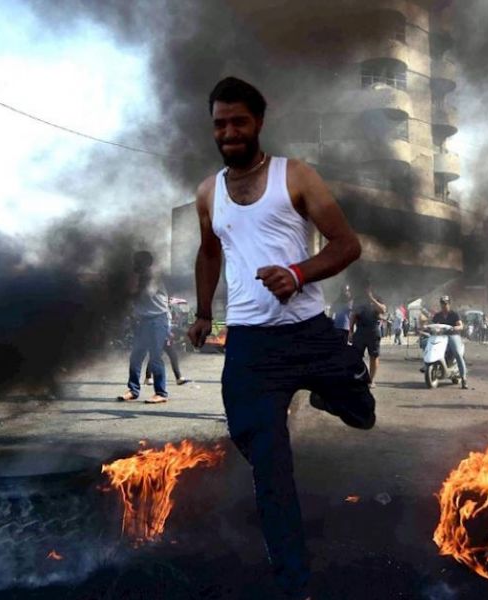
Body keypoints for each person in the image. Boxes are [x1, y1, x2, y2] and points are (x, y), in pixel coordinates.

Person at [185, 77, 375, 599]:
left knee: (363, 412)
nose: (228, 132)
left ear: (258, 123)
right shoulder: (208, 192)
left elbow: (347, 244)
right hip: (251, 348)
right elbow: (208, 253)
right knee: (270, 471)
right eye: (220, 123)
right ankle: (294, 583)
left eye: (238, 121)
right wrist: (205, 313)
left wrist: (298, 272)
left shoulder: (296, 176)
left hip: (309, 334)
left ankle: (331, 389)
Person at [117, 250, 172, 403]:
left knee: (155, 357)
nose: (135, 265)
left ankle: (161, 393)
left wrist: (131, 285)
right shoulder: (138, 277)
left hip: (158, 320)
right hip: (143, 321)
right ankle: (133, 390)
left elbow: (145, 293)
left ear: (146, 263)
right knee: (136, 357)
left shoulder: (153, 277)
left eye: (137, 262)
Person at [349, 279, 386, 388]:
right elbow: (353, 316)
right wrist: (350, 331)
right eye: (365, 288)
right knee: (356, 356)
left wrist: (372, 299)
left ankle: (371, 380)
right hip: (360, 330)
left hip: (373, 330)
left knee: (373, 356)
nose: (366, 290)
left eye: (368, 287)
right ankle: (359, 377)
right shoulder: (358, 299)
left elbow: (383, 310)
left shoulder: (378, 298)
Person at [430, 295, 470, 389]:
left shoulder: (454, 314)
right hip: (441, 337)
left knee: (457, 353)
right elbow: (432, 324)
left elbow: (461, 325)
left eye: (446, 304)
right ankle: (428, 364)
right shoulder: (437, 315)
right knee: (428, 344)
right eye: (442, 304)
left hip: (453, 336)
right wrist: (426, 328)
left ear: (449, 304)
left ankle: (464, 378)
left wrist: (455, 328)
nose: (444, 306)